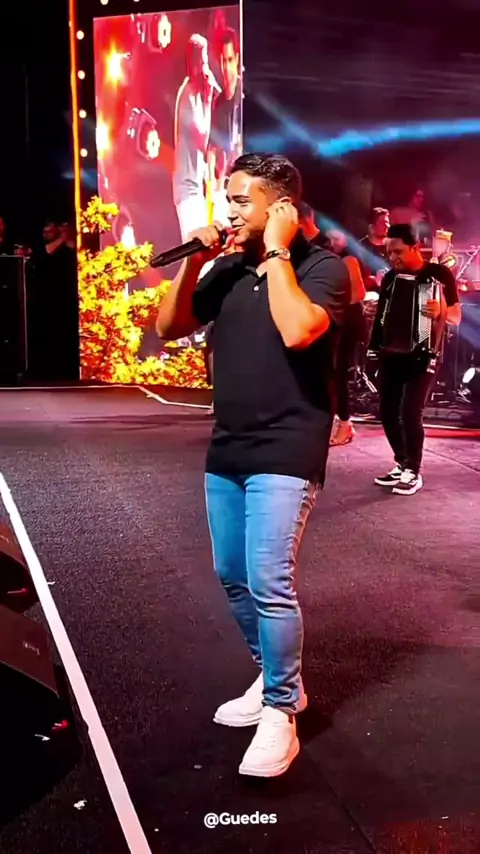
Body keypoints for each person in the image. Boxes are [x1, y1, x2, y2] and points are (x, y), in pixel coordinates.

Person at [156, 152, 349, 777]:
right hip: (230, 445)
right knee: (231, 574)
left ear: (282, 206)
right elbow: (170, 325)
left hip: (287, 447)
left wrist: (276, 250)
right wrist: (195, 260)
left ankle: (281, 710)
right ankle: (274, 678)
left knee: (269, 580)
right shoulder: (231, 266)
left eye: (242, 200)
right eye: (228, 200)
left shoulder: (322, 268)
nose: (230, 211)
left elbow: (297, 331)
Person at [370, 224, 461, 495]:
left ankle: (413, 469)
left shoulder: (438, 274)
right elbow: (384, 316)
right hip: (392, 352)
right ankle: (402, 462)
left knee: (410, 411)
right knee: (387, 411)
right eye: (388, 253)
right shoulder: (390, 278)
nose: (392, 258)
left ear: (414, 247)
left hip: (424, 352)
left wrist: (440, 310)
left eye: (397, 251)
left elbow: (455, 317)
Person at [173, 34, 218, 241]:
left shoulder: (198, 90)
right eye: (200, 60)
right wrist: (208, 99)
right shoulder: (188, 94)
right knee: (197, 244)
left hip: (196, 183)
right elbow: (202, 136)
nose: (204, 66)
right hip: (186, 185)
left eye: (205, 59)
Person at [324, 229, 366, 445]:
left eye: (336, 238)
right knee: (330, 373)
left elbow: (358, 293)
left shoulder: (348, 260)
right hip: (334, 321)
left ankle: (344, 424)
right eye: (329, 238)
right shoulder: (327, 259)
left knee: (337, 373)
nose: (331, 242)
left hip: (347, 322)